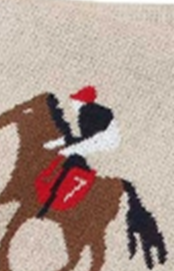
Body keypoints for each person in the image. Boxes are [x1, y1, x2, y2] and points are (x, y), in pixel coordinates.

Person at [37, 85, 121, 217]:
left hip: (104, 140)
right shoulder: (88, 111)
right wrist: (59, 142)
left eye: (74, 100)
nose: (72, 103)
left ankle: (58, 187)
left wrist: (60, 144)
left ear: (80, 102)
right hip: (102, 137)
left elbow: (85, 139)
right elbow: (79, 137)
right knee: (69, 150)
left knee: (67, 153)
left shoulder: (86, 113)